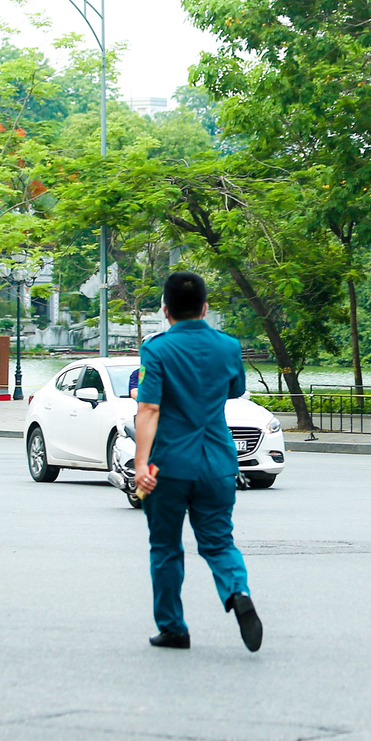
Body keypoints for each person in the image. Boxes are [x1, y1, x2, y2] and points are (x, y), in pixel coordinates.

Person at [134, 272, 263, 651]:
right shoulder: (228, 346)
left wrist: (142, 464)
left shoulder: (156, 350)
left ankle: (174, 627)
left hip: (169, 464)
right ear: (205, 309)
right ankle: (237, 591)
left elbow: (149, 408)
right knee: (220, 542)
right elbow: (234, 390)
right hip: (217, 461)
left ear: (164, 310)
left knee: (166, 547)